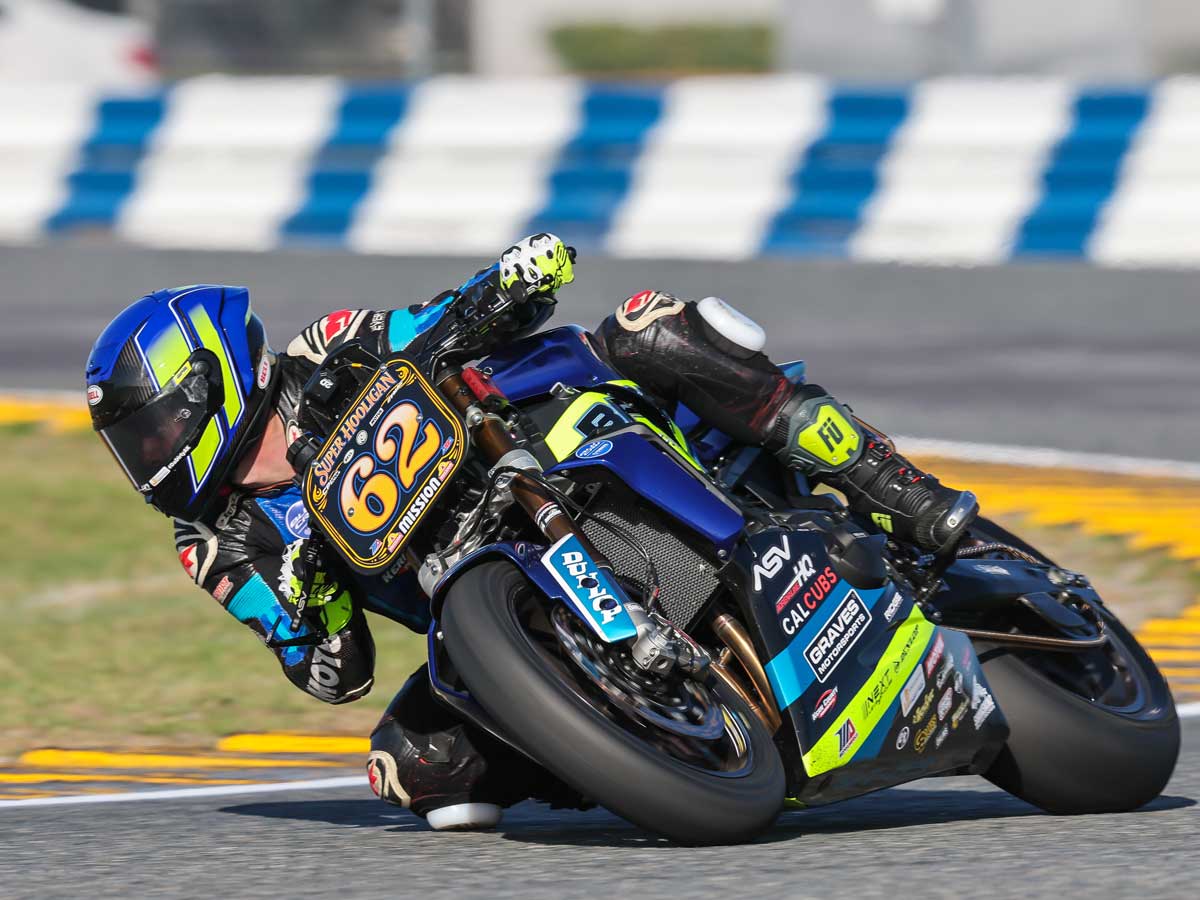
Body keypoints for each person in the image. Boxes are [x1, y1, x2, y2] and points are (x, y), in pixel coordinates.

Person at [85, 233, 976, 830]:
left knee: (648, 327)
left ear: (212, 379)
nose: (152, 457)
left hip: (544, 454)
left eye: (157, 429)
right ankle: (644, 743)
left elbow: (427, 325)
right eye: (137, 444)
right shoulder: (216, 544)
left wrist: (507, 284)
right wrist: (307, 589)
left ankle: (886, 480)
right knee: (411, 768)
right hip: (479, 599)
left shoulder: (325, 352)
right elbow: (331, 671)